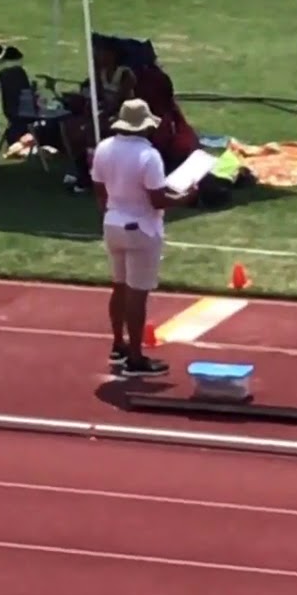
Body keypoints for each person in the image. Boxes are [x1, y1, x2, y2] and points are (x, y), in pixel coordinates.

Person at [91, 99, 196, 377]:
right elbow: (158, 199)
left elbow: (99, 189)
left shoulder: (104, 148)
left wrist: (112, 208)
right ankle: (135, 358)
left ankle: (119, 344)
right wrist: (186, 198)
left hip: (113, 222)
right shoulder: (149, 156)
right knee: (138, 293)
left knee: (119, 286)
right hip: (142, 228)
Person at [63, 37, 137, 192]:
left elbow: (120, 101)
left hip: (124, 115)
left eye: (100, 53)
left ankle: (92, 177)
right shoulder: (101, 73)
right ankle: (82, 171)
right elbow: (97, 96)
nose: (96, 55)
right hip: (105, 112)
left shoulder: (125, 74)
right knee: (73, 130)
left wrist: (101, 115)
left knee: (91, 131)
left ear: (112, 55)